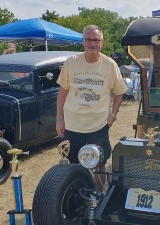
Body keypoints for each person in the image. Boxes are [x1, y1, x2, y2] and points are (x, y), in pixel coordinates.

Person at [56, 25, 127, 192]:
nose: (92, 43)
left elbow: (119, 92)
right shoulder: (71, 63)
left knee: (100, 163)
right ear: (83, 42)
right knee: (71, 165)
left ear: (101, 43)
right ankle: (74, 197)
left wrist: (113, 115)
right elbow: (62, 93)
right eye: (88, 39)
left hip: (98, 124)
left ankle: (98, 198)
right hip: (73, 124)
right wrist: (59, 119)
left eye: (96, 40)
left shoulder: (110, 65)